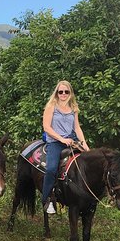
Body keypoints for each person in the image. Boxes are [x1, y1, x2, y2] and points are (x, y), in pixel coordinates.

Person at [41, 80, 89, 214]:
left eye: (66, 91)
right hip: (55, 142)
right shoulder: (51, 106)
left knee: (87, 164)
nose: (63, 94)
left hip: (71, 141)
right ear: (56, 93)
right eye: (60, 91)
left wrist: (84, 144)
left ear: (70, 93)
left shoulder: (74, 108)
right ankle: (46, 199)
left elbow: (77, 127)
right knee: (51, 169)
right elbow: (46, 127)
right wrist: (62, 139)